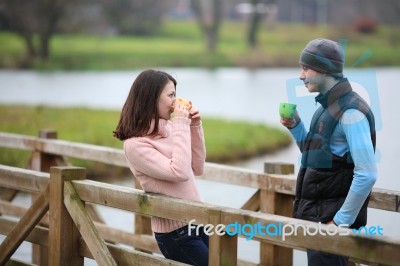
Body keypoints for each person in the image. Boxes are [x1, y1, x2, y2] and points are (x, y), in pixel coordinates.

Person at [280, 38, 377, 266]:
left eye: (305, 68)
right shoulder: (326, 107)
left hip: (330, 226)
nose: (300, 75)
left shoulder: (351, 113)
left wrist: (339, 223)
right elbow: (313, 155)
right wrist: (296, 126)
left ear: (324, 70)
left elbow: (367, 173)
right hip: (318, 222)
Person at [113, 69, 209, 266]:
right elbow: (179, 172)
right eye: (171, 95)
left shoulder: (172, 128)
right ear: (151, 98)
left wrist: (194, 126)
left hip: (199, 222)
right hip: (177, 234)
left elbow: (196, 168)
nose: (175, 101)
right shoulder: (135, 145)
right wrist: (182, 122)